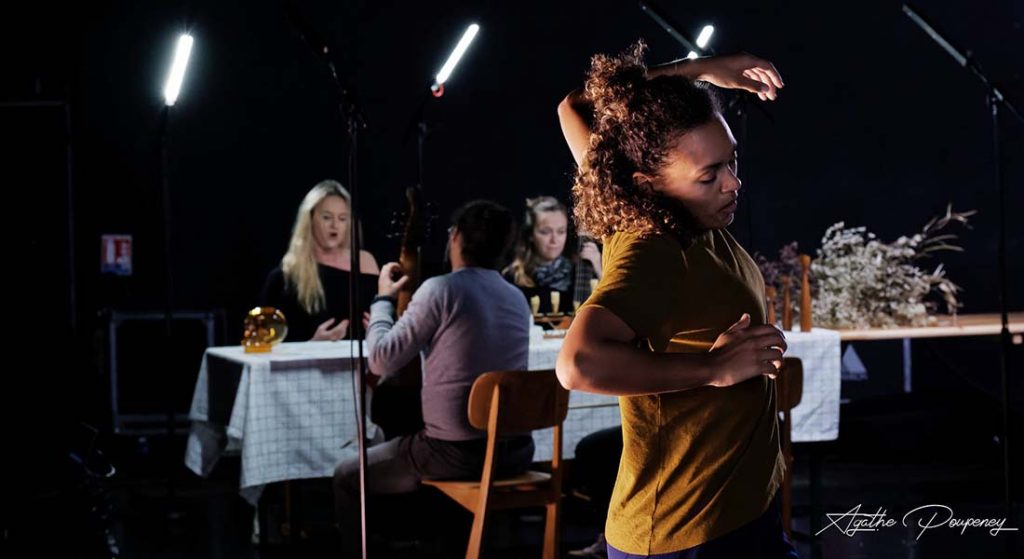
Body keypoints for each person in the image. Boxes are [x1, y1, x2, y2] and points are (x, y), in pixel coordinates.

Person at [555, 43, 797, 558]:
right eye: (709, 176)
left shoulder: (671, 213)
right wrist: (714, 368)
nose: (733, 183)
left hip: (739, 512)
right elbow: (577, 364)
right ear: (649, 183)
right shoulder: (651, 249)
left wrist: (701, 71)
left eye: (731, 161)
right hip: (685, 533)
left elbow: (575, 106)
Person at [333, 200, 535, 554]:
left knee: (347, 476)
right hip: (516, 452)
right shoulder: (516, 298)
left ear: (455, 237)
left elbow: (380, 361)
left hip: (455, 454)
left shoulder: (441, 290)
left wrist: (383, 300)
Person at [259, 179, 379, 341]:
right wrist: (314, 345)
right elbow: (265, 342)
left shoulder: (365, 262)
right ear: (310, 219)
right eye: (327, 217)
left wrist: (380, 329)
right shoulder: (284, 277)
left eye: (342, 218)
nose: (335, 225)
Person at [503, 196, 602, 315]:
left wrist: (600, 271)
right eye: (545, 232)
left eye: (561, 232)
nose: (554, 240)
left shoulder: (580, 274)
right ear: (530, 235)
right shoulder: (512, 278)